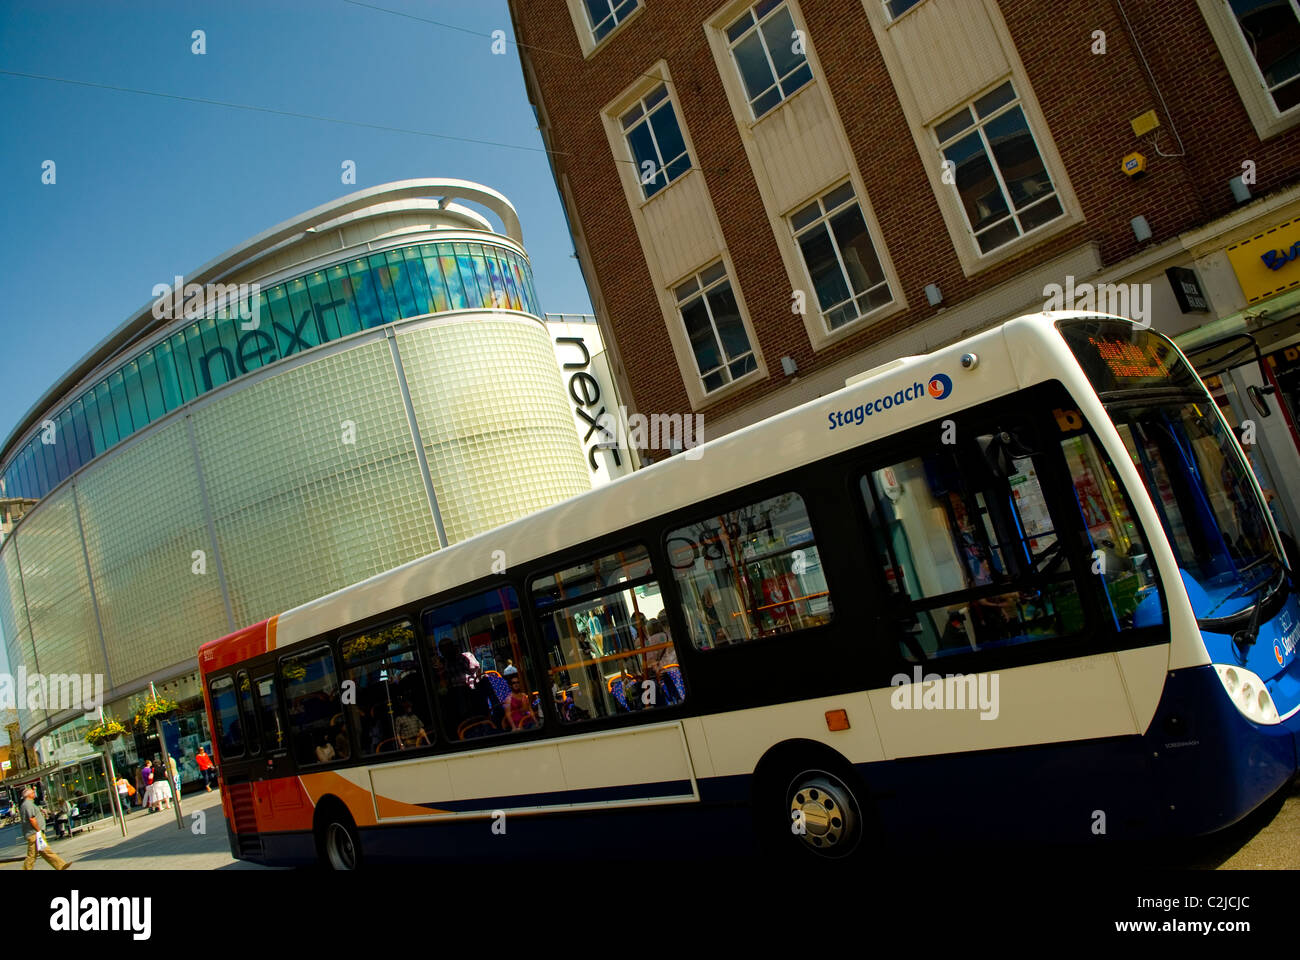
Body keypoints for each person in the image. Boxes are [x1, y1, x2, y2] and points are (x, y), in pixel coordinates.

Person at [20, 786, 69, 871]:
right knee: (33, 855)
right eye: (32, 792)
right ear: (28, 795)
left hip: (35, 832)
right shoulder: (27, 804)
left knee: (45, 851)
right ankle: (60, 866)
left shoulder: (29, 803)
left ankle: (61, 866)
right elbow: (32, 819)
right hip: (34, 833)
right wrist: (38, 830)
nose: (34, 794)